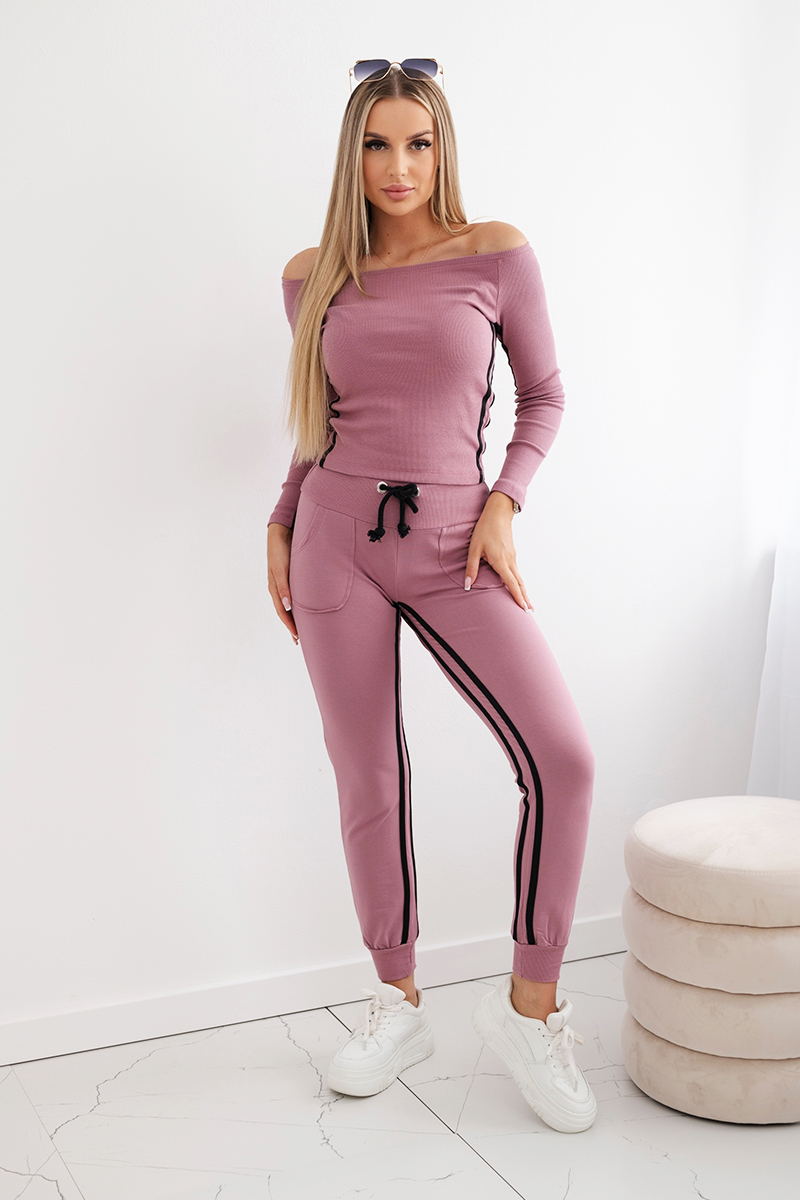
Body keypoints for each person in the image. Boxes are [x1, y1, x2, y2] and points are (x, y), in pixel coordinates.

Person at [266, 58, 597, 1134]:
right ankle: (395, 1001)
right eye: (376, 145)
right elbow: (317, 423)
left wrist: (505, 503)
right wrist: (280, 521)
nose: (398, 166)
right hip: (335, 544)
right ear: (350, 155)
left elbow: (544, 394)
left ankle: (531, 1009)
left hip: (457, 540)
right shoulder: (311, 275)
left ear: (443, 149)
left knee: (561, 758)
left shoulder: (494, 253)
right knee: (367, 773)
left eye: (417, 143)